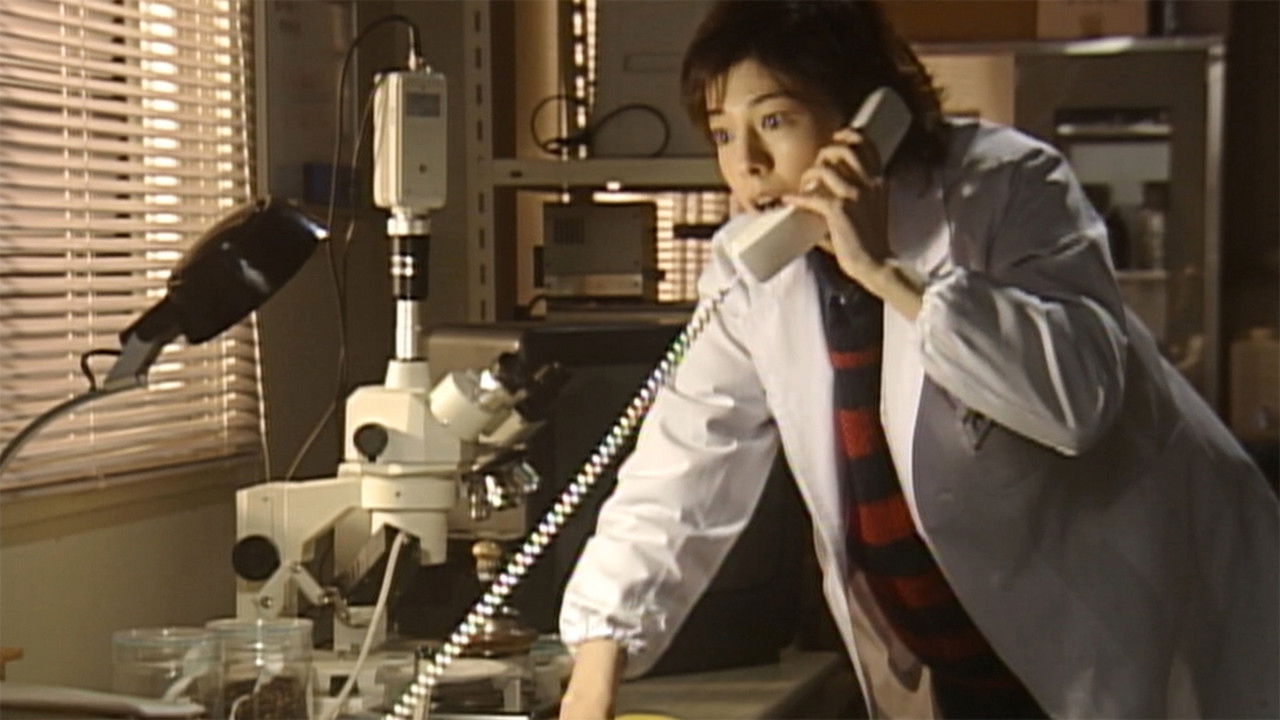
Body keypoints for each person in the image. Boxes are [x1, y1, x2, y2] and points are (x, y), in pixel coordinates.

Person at [556, 2, 1280, 718]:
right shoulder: (752, 270)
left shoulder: (1008, 186)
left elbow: (1076, 401)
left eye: (774, 121)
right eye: (722, 132)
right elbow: (682, 470)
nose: (746, 164)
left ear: (866, 117)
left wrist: (886, 273)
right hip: (965, 668)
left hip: (1136, 635)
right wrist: (595, 674)